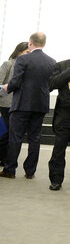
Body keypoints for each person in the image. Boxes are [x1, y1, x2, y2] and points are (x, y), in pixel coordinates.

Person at [0, 32, 56, 179]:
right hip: (40, 105)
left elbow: (15, 82)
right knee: (35, 138)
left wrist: (6, 88)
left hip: (22, 104)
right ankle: (30, 172)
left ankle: (10, 170)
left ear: (30, 43)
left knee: (16, 137)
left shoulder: (23, 59)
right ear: (44, 44)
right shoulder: (52, 62)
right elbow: (52, 85)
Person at [0, 42, 30, 165]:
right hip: (6, 103)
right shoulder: (8, 64)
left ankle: (0, 153)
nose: (28, 55)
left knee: (15, 131)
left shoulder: (27, 65)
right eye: (27, 52)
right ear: (19, 51)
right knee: (13, 130)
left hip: (20, 103)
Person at [47, 59, 70, 190]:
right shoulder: (62, 65)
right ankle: (56, 179)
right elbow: (51, 84)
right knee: (59, 149)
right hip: (65, 114)